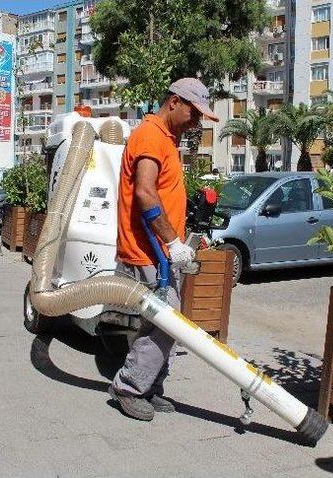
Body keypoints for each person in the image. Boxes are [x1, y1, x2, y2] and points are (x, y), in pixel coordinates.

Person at [109, 78, 219, 421]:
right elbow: (144, 192)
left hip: (161, 253)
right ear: (173, 102)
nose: (195, 121)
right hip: (148, 252)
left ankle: (150, 385)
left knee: (161, 322)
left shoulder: (165, 138)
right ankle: (128, 387)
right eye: (192, 112)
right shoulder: (150, 135)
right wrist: (171, 241)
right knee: (167, 322)